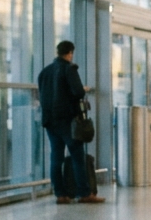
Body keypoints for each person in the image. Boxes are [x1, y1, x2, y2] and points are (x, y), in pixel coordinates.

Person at [38, 41, 103, 205]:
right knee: (77, 156)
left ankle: (60, 194)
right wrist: (84, 89)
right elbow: (78, 92)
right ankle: (84, 193)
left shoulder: (44, 72)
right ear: (70, 53)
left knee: (56, 157)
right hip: (68, 121)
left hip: (50, 121)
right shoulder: (69, 69)